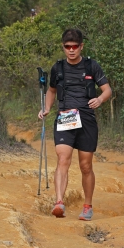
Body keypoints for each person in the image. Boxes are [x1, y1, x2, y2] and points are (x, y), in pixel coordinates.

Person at [38, 29, 112, 220]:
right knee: (63, 159)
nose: (71, 50)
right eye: (67, 47)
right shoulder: (58, 68)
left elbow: (107, 90)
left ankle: (87, 206)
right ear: (63, 47)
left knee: (85, 165)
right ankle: (59, 202)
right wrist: (46, 108)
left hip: (87, 118)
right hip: (66, 116)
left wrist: (100, 99)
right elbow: (52, 91)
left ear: (81, 46)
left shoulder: (91, 65)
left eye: (75, 46)